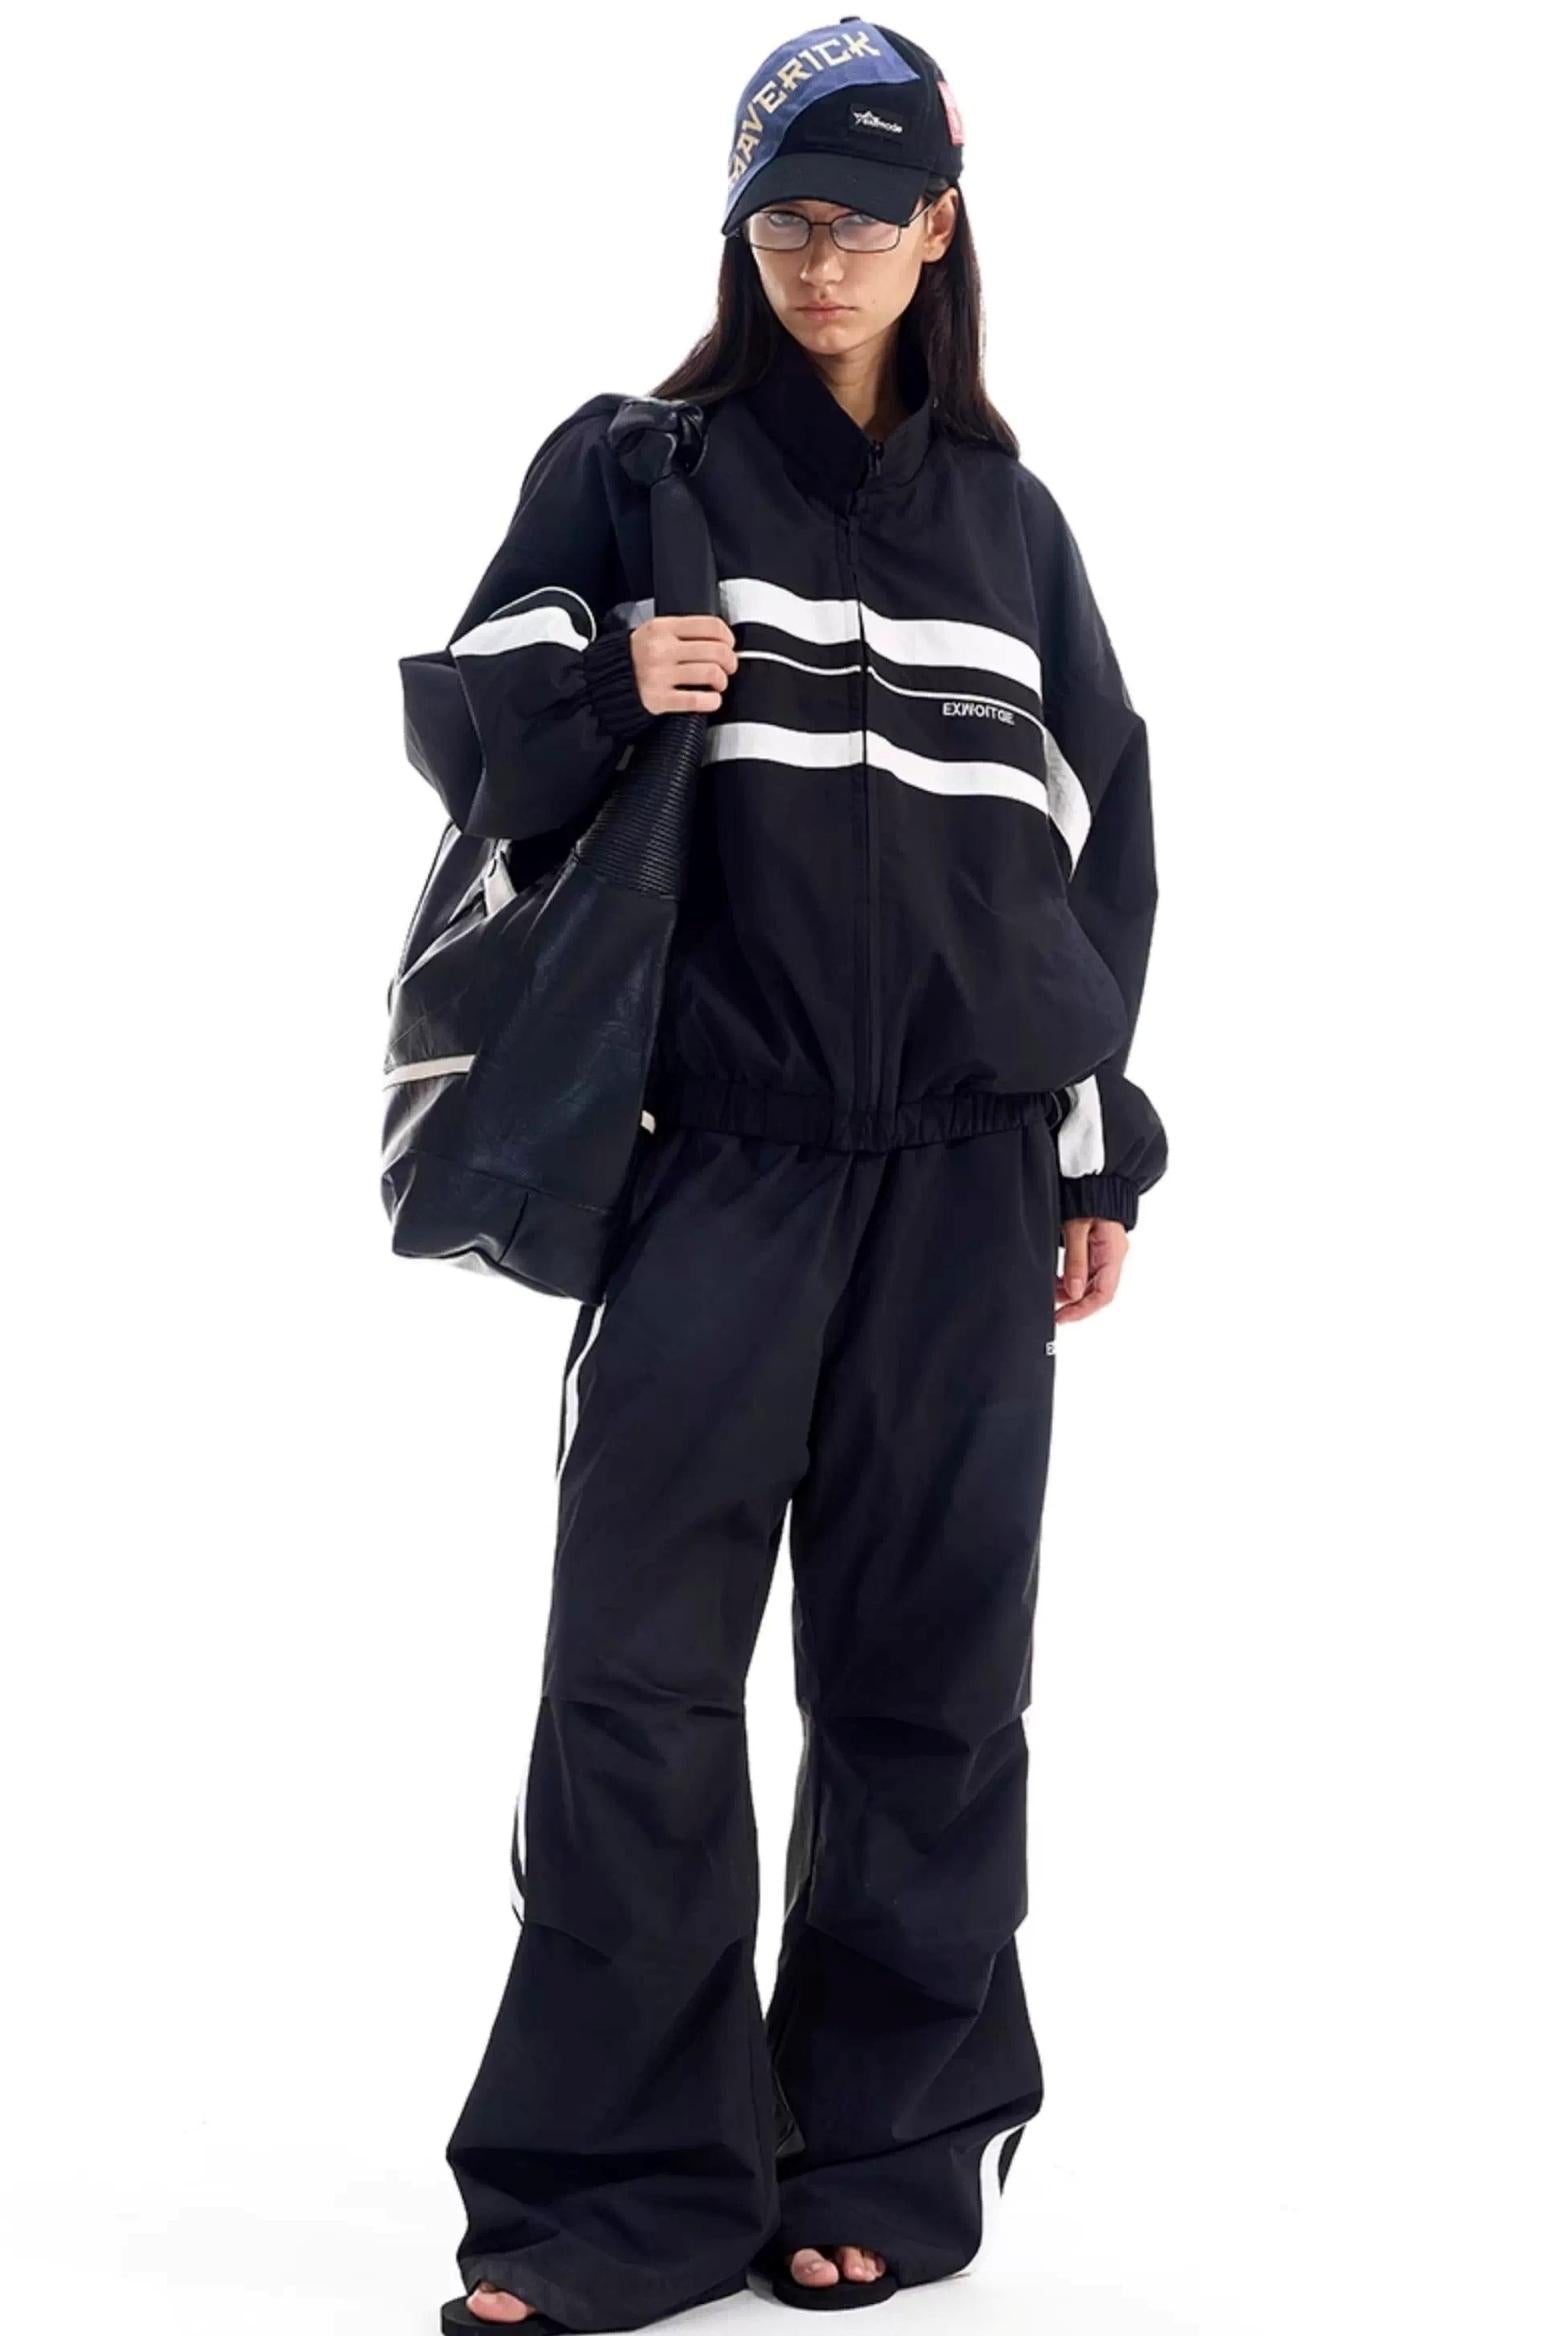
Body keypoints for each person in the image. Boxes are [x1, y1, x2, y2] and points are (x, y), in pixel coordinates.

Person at [398, 19, 1168, 2332]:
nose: (819, 258)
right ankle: (618, 2185)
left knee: (930, 1679)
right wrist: (615, 675)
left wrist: (1094, 1150)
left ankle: (882, 2148)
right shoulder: (636, 470)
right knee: (634, 1677)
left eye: (861, 216)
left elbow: (1085, 860)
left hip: (963, 1179)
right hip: (716, 1162)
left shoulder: (1013, 530)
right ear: (743, 237)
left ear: (938, 227)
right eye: (782, 221)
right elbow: (469, 718)